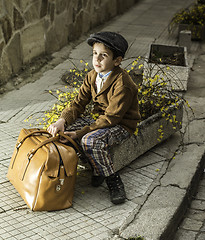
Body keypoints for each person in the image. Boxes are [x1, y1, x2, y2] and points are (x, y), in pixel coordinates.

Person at [47, 32, 141, 204]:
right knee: (64, 132)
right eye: (95, 54)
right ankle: (96, 168)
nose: (97, 59)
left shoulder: (123, 83)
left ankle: (113, 180)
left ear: (117, 61)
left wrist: (81, 132)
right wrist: (62, 121)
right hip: (101, 121)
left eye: (103, 55)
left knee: (89, 140)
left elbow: (112, 118)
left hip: (120, 124)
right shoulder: (92, 76)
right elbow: (78, 104)